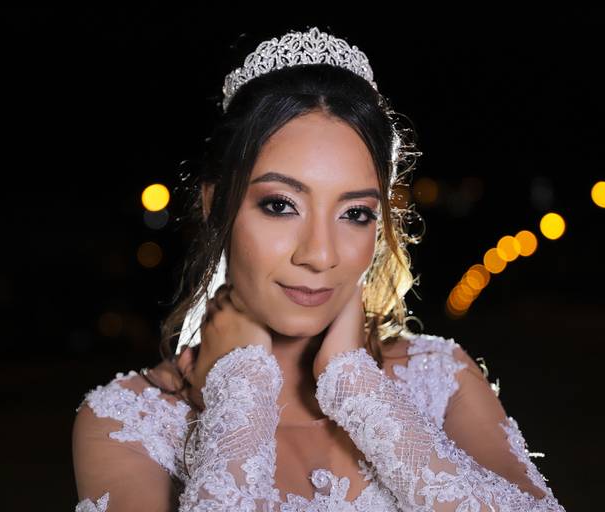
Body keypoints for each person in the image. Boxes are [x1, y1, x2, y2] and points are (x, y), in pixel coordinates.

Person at [72, 26, 567, 511]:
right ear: (215, 206)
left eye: (355, 213)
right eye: (280, 205)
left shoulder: (440, 380)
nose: (320, 254)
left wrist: (353, 382)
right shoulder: (128, 419)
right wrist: (239, 386)